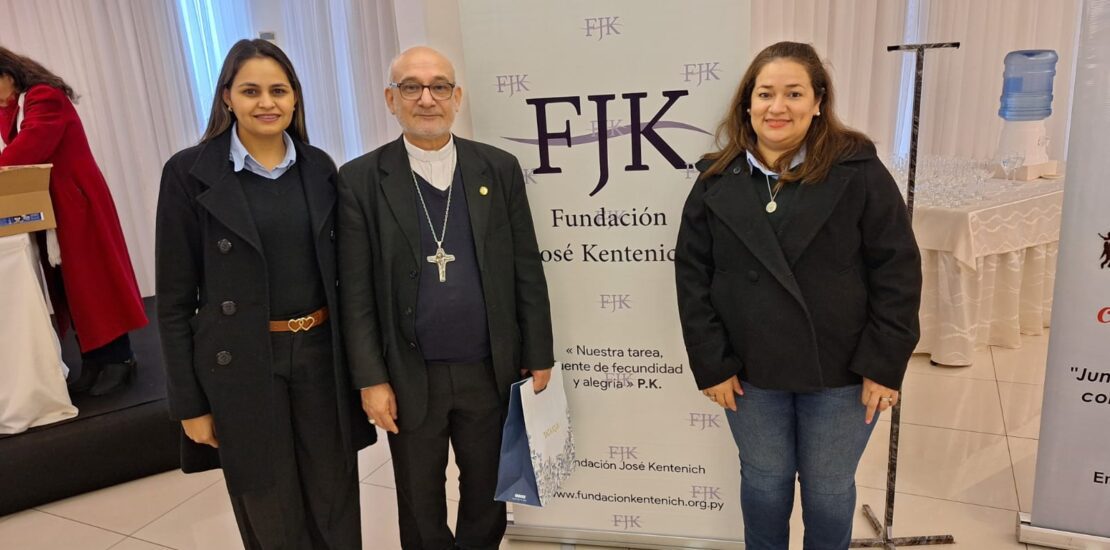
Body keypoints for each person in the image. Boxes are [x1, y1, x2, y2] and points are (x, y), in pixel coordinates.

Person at [674, 41, 922, 550]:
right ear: (748, 103)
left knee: (828, 490)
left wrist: (884, 363)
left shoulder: (858, 171)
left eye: (793, 93)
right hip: (748, 371)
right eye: (765, 93)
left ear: (818, 102)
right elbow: (693, 277)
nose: (777, 107)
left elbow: (897, 270)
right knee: (764, 485)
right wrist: (712, 363)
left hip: (842, 371)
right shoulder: (715, 180)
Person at [155, 39, 375, 550]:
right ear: (227, 98)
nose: (266, 102)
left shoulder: (320, 168)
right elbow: (173, 302)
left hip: (320, 355)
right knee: (271, 512)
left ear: (295, 97)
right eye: (251, 91)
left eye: (278, 90)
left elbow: (346, 279)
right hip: (243, 361)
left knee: (335, 503)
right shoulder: (188, 174)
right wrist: (189, 404)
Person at [338, 46, 554, 550]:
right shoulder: (360, 180)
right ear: (391, 99)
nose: (426, 98)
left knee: (488, 489)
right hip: (409, 373)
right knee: (419, 497)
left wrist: (539, 351)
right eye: (411, 87)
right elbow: (356, 291)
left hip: (489, 368)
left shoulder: (497, 168)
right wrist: (370, 378)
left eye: (439, 86)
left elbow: (526, 266)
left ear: (457, 98)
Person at [0, 46, 147, 396]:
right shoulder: (19, 104)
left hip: (76, 201)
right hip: (54, 204)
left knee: (94, 283)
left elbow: (26, 150)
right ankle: (93, 359)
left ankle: (120, 358)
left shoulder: (44, 97)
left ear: (7, 73)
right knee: (70, 287)